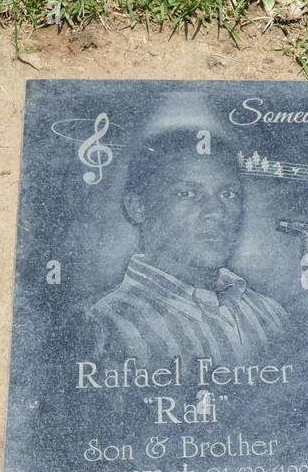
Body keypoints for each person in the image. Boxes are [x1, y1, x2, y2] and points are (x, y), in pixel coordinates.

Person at [86, 130, 289, 364]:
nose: (216, 212)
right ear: (137, 207)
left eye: (228, 194)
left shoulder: (270, 314)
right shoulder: (106, 326)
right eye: (188, 193)